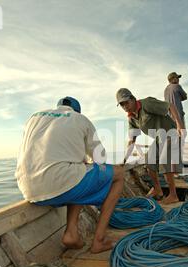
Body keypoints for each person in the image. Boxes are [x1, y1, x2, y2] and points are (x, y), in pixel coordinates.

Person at [15, 96, 124, 253]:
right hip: (61, 183)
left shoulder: (34, 117)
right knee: (119, 174)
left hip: (27, 189)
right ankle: (99, 240)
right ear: (76, 110)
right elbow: (101, 159)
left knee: (77, 169)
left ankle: (71, 233)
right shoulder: (80, 119)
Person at [116, 88, 184, 204]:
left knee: (164, 161)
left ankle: (173, 195)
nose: (125, 106)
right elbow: (132, 141)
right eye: (122, 105)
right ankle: (158, 190)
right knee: (149, 161)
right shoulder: (131, 118)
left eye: (126, 102)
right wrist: (123, 160)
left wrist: (179, 125)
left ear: (132, 99)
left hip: (170, 133)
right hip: (159, 138)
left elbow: (170, 106)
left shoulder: (147, 103)